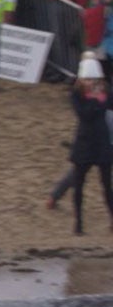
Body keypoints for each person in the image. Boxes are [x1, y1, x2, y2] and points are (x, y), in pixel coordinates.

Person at [50, 58, 113, 234]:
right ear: (81, 80)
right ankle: (78, 224)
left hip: (102, 143)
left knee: (107, 185)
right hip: (84, 144)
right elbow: (84, 115)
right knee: (78, 185)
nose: (91, 83)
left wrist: (100, 100)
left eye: (94, 80)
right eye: (87, 79)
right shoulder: (76, 95)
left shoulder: (107, 92)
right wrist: (98, 101)